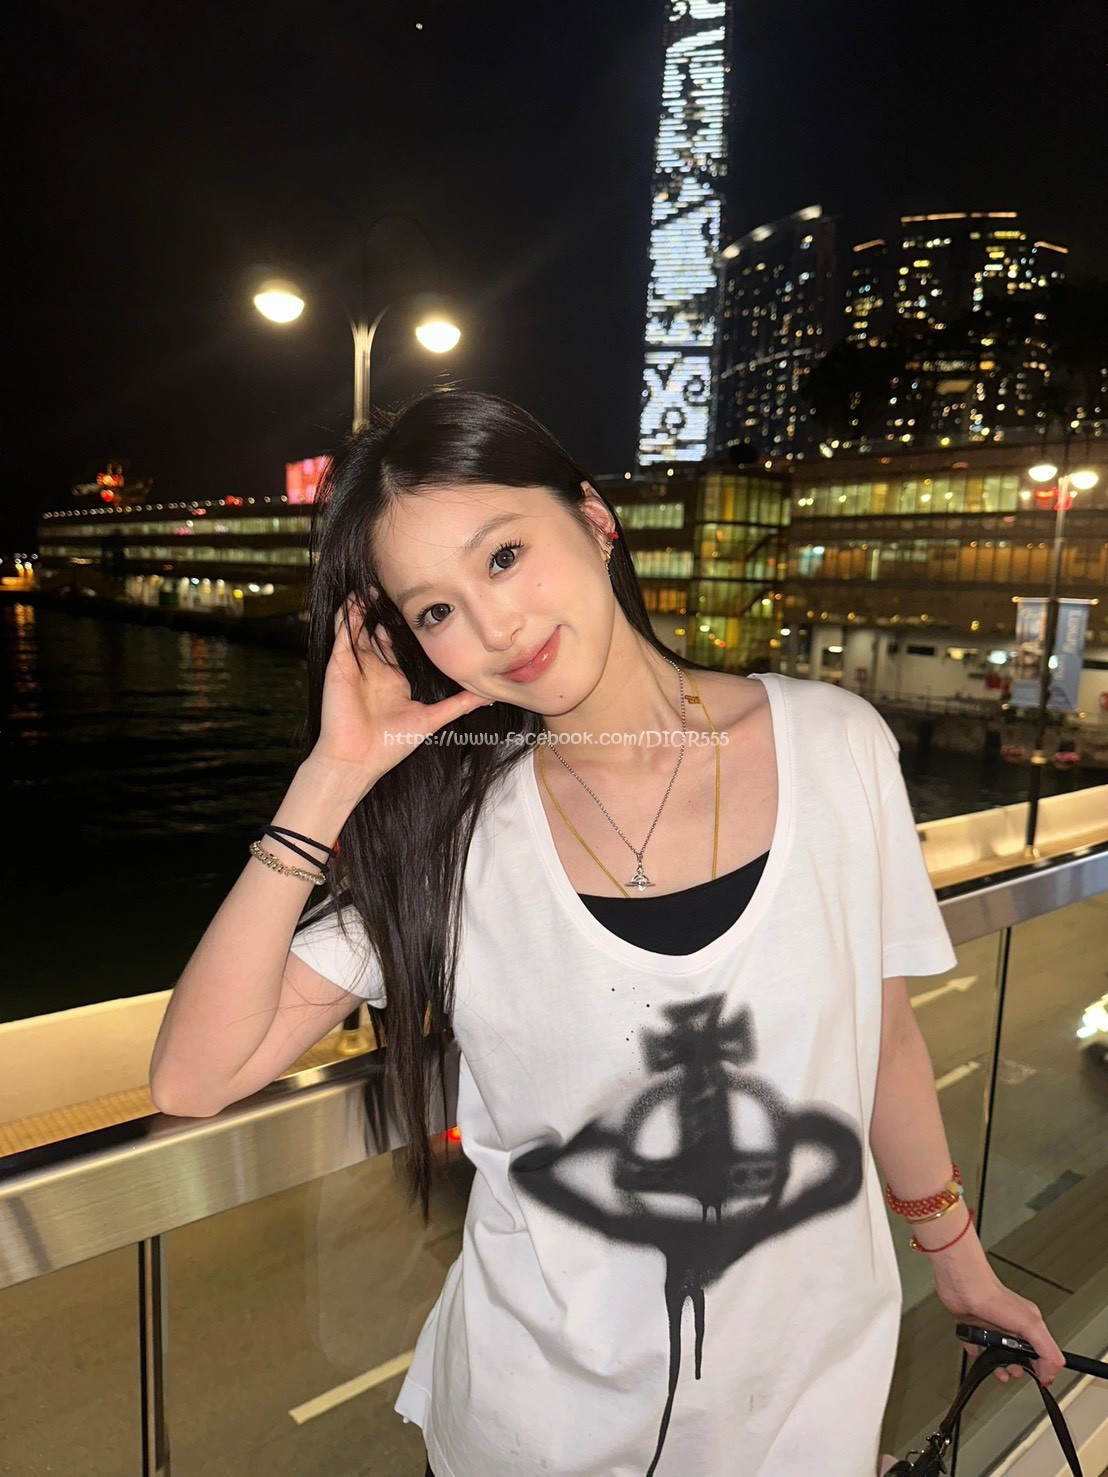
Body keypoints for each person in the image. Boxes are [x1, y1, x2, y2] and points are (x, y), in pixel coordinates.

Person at [149, 390, 1063, 1477]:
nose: (494, 628)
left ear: (592, 518)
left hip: (807, 1407)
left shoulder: (834, 743)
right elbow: (195, 1075)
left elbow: (886, 1040)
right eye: (435, 611)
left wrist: (957, 1261)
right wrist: (332, 776)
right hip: (535, 1431)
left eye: (503, 556)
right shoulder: (453, 833)